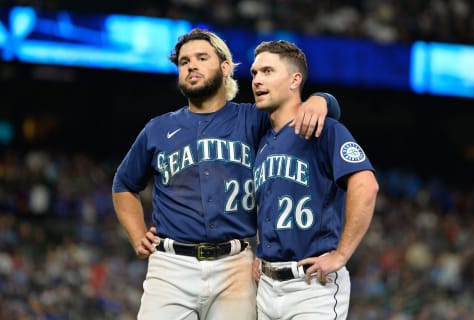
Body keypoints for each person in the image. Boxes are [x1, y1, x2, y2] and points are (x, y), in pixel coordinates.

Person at [111, 28, 341, 320]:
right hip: (171, 266)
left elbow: (293, 104)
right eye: (183, 62)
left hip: (236, 266)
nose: (191, 65)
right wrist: (136, 234)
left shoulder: (253, 117)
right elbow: (124, 184)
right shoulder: (157, 128)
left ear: (225, 67)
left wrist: (322, 100)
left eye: (201, 58)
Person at [250, 40, 379, 319]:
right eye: (254, 73)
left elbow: (366, 185)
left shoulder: (327, 129)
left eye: (268, 71)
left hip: (311, 287)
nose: (257, 80)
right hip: (266, 285)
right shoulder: (261, 138)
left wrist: (342, 255)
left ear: (295, 79)